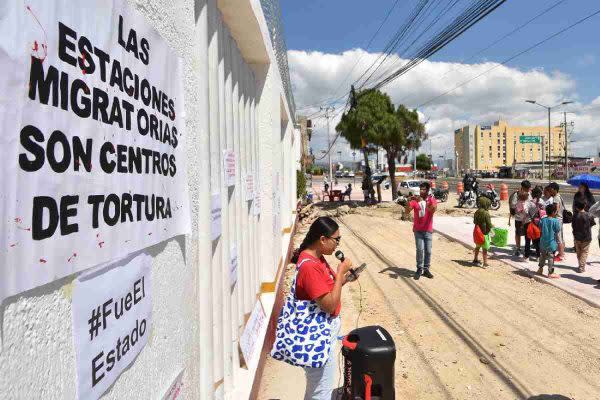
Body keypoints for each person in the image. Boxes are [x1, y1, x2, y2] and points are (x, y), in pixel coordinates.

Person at [281, 217, 353, 400]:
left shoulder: (317, 258)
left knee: (318, 388)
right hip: (317, 337)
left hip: (322, 333)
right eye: (336, 240)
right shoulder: (310, 267)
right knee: (321, 391)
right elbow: (329, 305)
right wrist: (340, 274)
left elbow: (326, 289)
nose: (338, 244)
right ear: (323, 239)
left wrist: (344, 279)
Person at [405, 181, 437, 280]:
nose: (422, 191)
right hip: (418, 230)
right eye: (421, 189)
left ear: (428, 190)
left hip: (428, 230)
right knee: (420, 250)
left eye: (424, 189)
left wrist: (424, 202)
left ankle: (426, 269)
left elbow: (433, 210)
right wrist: (408, 201)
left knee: (428, 251)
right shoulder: (415, 200)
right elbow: (407, 212)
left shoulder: (431, 199)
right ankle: (419, 269)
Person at [538, 204, 561, 279]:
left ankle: (540, 269)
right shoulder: (556, 221)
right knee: (551, 258)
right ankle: (550, 272)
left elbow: (540, 228)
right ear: (554, 212)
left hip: (542, 242)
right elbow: (557, 230)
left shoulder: (542, 220)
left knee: (542, 256)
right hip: (551, 243)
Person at [573, 200, 592, 273]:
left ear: (576, 207)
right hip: (586, 237)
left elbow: (573, 226)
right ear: (584, 206)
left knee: (579, 252)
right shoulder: (588, 215)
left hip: (577, 236)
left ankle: (580, 264)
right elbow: (592, 223)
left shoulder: (575, 215)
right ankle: (581, 267)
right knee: (584, 252)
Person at [473, 196, 493, 268]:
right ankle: (485, 263)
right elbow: (489, 224)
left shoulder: (476, 212)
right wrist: (492, 229)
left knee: (477, 247)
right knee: (485, 249)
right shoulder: (486, 213)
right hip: (484, 234)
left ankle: (475, 259)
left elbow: (474, 221)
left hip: (477, 233)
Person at [547, 182, 565, 261]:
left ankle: (561, 255)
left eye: (551, 189)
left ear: (555, 189)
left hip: (557, 219)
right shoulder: (559, 196)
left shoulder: (556, 198)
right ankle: (562, 253)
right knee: (560, 237)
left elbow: (556, 210)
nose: (549, 191)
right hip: (560, 219)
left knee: (558, 238)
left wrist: (551, 218)